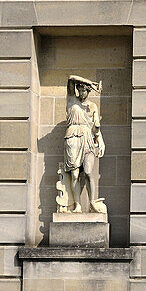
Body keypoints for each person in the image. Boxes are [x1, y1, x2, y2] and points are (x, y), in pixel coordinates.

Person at [62, 75, 106, 213]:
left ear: (88, 92)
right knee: (74, 175)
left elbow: (95, 128)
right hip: (72, 138)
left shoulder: (93, 106)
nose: (80, 93)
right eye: (79, 90)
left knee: (87, 172)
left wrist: (99, 135)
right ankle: (78, 205)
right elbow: (70, 78)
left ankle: (92, 202)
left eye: (83, 90)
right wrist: (89, 82)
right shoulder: (72, 100)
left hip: (87, 138)